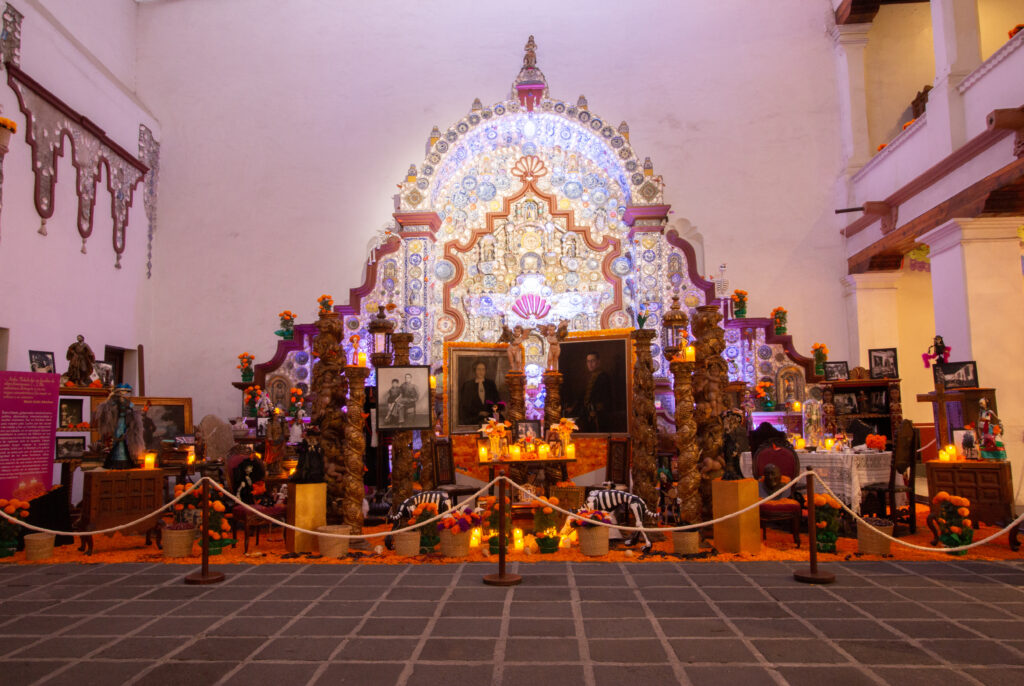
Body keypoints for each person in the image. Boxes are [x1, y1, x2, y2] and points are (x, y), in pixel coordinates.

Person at [93, 384, 144, 469]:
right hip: (116, 424)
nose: (124, 394)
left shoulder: (128, 403)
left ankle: (125, 460)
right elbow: (107, 412)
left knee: (124, 441)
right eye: (122, 392)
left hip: (124, 423)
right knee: (117, 441)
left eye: (126, 392)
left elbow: (133, 411)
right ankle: (115, 460)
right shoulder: (113, 403)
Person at [568, 351, 612, 432]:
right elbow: (582, 396)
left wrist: (594, 409)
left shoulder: (603, 377)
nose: (590, 364)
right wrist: (573, 408)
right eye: (588, 361)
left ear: (598, 362)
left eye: (593, 361)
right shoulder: (588, 377)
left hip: (599, 415)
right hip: (586, 413)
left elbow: (606, 399)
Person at [459, 360, 499, 426]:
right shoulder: (468, 385)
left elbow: (496, 400)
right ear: (475, 371)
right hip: (474, 418)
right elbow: (465, 404)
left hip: (490, 418)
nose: (481, 372)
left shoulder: (491, 384)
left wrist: (492, 410)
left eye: (483, 369)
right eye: (479, 369)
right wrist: (479, 412)